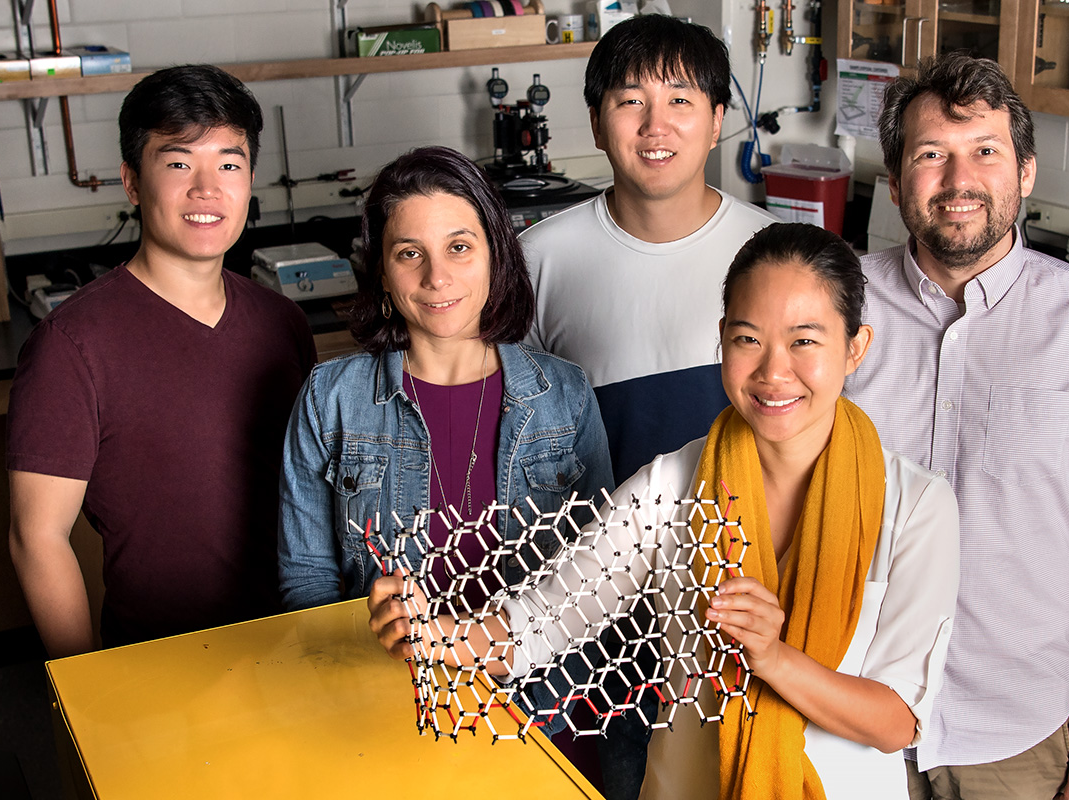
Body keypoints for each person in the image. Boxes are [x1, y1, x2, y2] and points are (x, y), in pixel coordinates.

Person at [370, 222, 961, 800]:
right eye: (747, 339)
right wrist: (433, 634)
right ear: (722, 339)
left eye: (805, 340)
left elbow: (896, 723)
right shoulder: (672, 484)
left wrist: (773, 659)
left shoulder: (914, 507)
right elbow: (538, 625)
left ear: (855, 347)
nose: (773, 371)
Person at [845, 52, 1069, 800]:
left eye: (985, 152)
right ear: (896, 183)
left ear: (1024, 172)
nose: (959, 181)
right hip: (852, 709)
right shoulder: (838, 306)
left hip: (1012, 732)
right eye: (931, 155)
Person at [278, 148, 612, 734]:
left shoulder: (565, 394)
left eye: (459, 247)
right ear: (381, 270)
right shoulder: (330, 400)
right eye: (410, 254)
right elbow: (305, 584)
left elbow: (600, 576)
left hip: (539, 715)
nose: (437, 278)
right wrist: (367, 637)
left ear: (495, 254)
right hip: (381, 713)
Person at [7, 65, 317, 657]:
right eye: (178, 163)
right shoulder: (71, 344)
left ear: (251, 179)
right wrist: (88, 684)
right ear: (131, 181)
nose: (207, 189)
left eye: (229, 163)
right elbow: (36, 537)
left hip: (294, 646)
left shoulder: (283, 324)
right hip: (157, 662)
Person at [520, 14, 777, 486]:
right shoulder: (536, 260)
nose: (655, 126)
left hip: (747, 548)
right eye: (631, 101)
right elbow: (512, 438)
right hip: (593, 552)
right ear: (597, 124)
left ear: (717, 121)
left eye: (680, 100)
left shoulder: (777, 254)